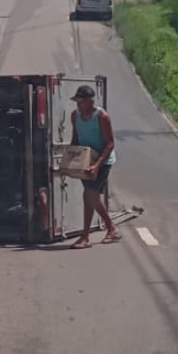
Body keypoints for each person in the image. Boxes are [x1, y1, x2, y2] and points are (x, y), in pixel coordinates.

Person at [68, 84, 121, 248]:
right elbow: (75, 140)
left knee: (90, 194)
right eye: (77, 101)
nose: (78, 104)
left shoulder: (101, 116)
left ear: (90, 102)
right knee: (90, 196)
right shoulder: (75, 116)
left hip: (103, 160)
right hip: (86, 160)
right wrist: (69, 160)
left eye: (81, 101)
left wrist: (97, 166)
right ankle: (92, 235)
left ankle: (107, 229)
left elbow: (110, 144)